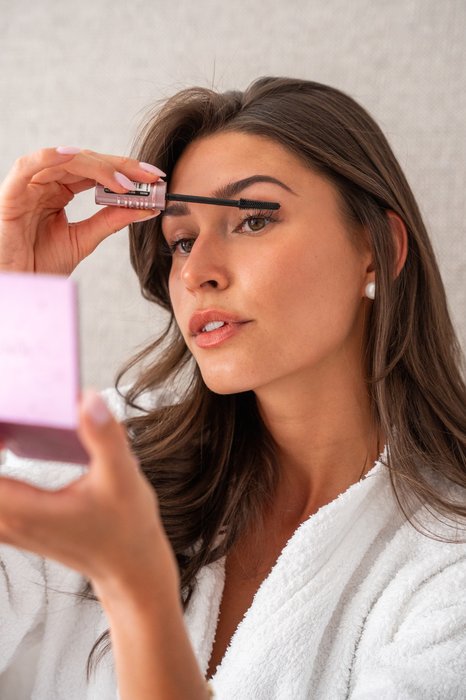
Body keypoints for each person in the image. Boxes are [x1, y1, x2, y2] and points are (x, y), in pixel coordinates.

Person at [0, 76, 465, 699]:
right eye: (181, 241)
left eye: (252, 220)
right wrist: (20, 301)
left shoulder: (447, 566)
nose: (197, 272)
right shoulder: (112, 454)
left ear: (376, 250)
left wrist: (136, 591)